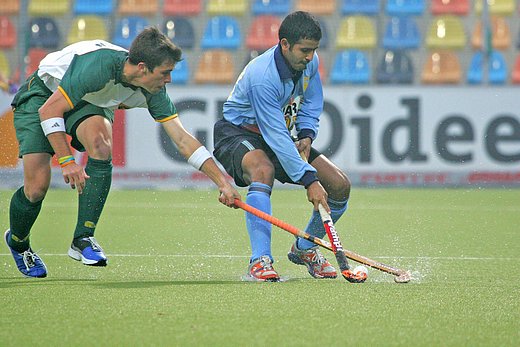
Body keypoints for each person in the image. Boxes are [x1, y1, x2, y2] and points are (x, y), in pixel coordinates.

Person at [6, 27, 241, 278]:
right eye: (165, 72)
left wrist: (222, 183)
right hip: (44, 95)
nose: (168, 80)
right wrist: (66, 161)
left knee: (101, 144)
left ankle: (83, 238)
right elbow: (48, 111)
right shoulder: (97, 68)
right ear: (142, 68)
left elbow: (182, 139)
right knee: (37, 188)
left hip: (89, 100)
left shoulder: (153, 90)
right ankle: (19, 243)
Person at [213, 11, 365, 282]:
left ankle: (304, 249)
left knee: (339, 185)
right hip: (236, 134)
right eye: (304, 50)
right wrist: (309, 180)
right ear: (284, 44)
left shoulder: (309, 61)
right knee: (262, 169)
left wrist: (306, 135)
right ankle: (260, 260)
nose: (309, 57)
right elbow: (274, 135)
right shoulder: (262, 76)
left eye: (314, 50)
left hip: (277, 135)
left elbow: (312, 101)